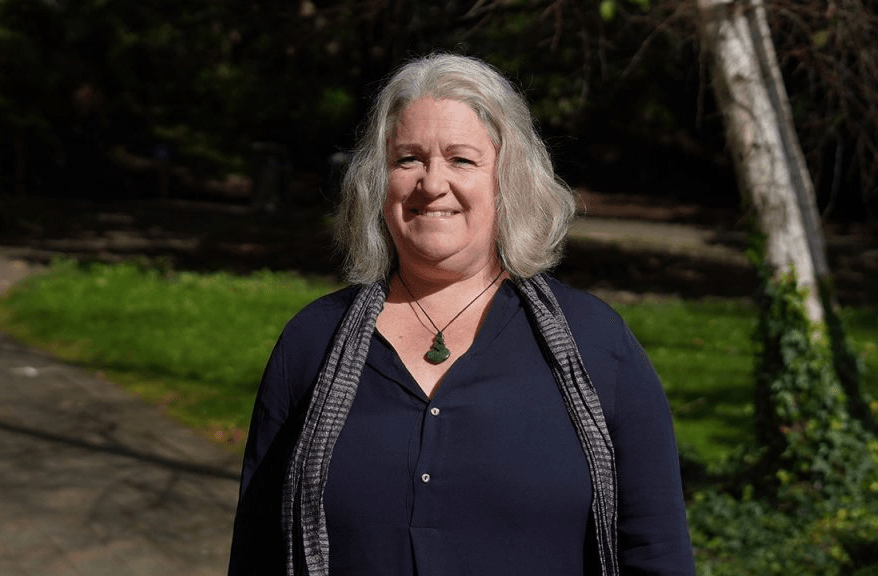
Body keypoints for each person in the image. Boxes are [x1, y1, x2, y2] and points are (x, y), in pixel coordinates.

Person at [228, 53, 695, 576]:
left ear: (506, 181)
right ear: (377, 182)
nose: (432, 183)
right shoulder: (311, 343)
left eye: (461, 160)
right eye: (408, 159)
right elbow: (258, 551)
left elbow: (657, 552)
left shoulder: (598, 346)